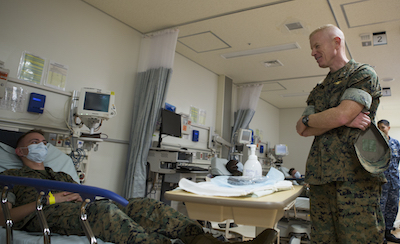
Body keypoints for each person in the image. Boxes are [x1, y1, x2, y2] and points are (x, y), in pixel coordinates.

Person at [0, 129, 277, 244]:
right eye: (35, 143)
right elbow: (5, 217)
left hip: (82, 204)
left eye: (43, 143)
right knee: (106, 212)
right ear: (21, 151)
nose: (41, 147)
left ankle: (210, 242)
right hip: (45, 214)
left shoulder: (58, 173)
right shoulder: (11, 178)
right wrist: (52, 200)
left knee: (147, 205)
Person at [296, 24, 386, 243]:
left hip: (355, 179)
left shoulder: (361, 74)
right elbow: (301, 129)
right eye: (311, 48)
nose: (312, 52)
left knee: (360, 239)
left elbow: (342, 115)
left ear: (337, 42)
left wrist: (334, 117)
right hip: (321, 179)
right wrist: (333, 118)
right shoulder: (319, 90)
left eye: (317, 46)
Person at [377, 119, 400, 243]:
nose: (381, 130)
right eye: (378, 128)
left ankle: (388, 232)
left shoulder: (396, 143)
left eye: (383, 127)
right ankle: (380, 236)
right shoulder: (375, 144)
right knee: (381, 208)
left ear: (388, 128)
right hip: (381, 182)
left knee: (393, 206)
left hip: (394, 183)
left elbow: (397, 162)